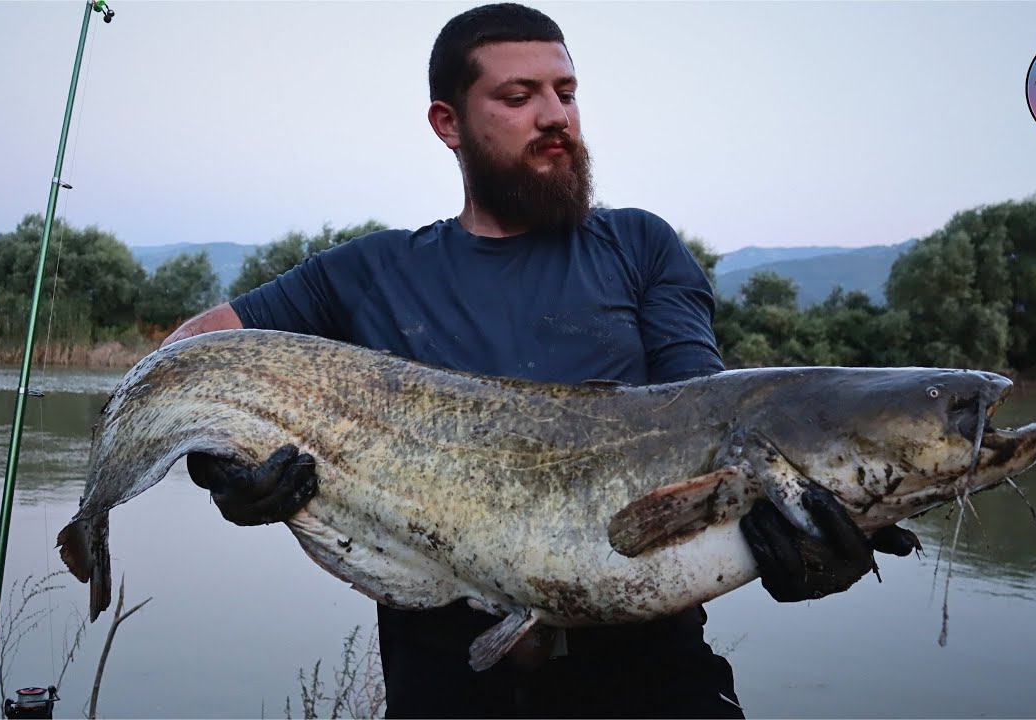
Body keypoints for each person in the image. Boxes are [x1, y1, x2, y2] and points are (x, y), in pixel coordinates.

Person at [167, 4, 920, 717]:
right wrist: (225, 465)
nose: (556, 115)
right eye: (519, 95)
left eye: (566, 92)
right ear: (447, 123)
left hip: (650, 675)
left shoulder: (639, 247)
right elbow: (192, 356)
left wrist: (801, 539)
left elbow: (706, 412)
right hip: (445, 681)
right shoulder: (368, 271)